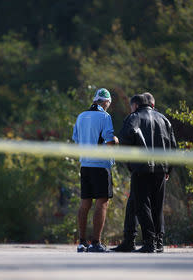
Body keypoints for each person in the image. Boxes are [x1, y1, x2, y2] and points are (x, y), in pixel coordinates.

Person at [117, 93, 176, 253]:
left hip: (141, 168)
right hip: (161, 169)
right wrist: (168, 169)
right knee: (157, 206)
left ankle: (149, 242)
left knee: (142, 205)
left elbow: (124, 140)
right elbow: (172, 146)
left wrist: (130, 164)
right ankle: (159, 242)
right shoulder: (164, 119)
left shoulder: (134, 117)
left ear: (135, 105)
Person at [72, 88, 119, 252]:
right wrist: (116, 140)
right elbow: (109, 141)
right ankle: (96, 242)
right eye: (109, 104)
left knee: (85, 202)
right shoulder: (105, 117)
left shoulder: (81, 116)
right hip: (100, 165)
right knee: (102, 203)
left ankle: (82, 242)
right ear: (106, 102)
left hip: (85, 164)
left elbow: (76, 139)